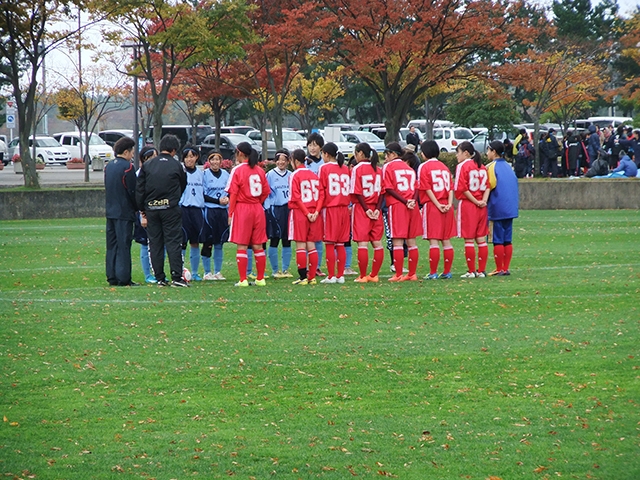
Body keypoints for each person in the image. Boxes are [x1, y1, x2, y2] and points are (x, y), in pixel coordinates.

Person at [136, 134, 188, 287]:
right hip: (170, 209)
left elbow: (140, 189)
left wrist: (142, 208)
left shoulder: (148, 165)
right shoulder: (176, 165)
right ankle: (176, 277)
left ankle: (159, 277)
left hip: (152, 209)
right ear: (174, 150)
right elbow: (183, 184)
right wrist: (173, 199)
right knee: (173, 242)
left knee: (155, 243)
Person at [225, 142, 270, 287]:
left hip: (243, 209)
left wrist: (230, 213)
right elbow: (265, 192)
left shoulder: (237, 170)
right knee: (258, 245)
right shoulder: (260, 170)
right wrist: (257, 202)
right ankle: (260, 278)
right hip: (258, 208)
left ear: (239, 153)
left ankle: (243, 279)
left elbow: (233, 194)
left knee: (242, 245)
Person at [382, 141, 421, 281]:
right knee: (411, 241)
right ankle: (412, 273)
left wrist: (405, 201)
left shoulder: (388, 167)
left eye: (387, 154)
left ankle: (398, 274)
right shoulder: (409, 168)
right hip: (412, 205)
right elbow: (417, 187)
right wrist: (413, 201)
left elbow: (388, 188)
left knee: (397, 241)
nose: (386, 158)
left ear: (393, 154)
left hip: (398, 205)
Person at [417, 140, 455, 280]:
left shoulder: (423, 167)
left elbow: (426, 188)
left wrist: (438, 205)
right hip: (447, 204)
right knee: (446, 240)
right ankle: (447, 271)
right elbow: (450, 187)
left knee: (433, 240)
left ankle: (433, 272)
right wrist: (449, 203)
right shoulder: (444, 167)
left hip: (433, 206)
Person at [104, 136, 138, 286]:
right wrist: (137, 207)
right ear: (126, 152)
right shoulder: (128, 167)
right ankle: (124, 277)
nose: (132, 155)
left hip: (110, 211)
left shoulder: (109, 166)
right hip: (124, 212)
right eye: (132, 152)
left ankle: (112, 275)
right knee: (124, 245)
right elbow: (132, 190)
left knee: (112, 245)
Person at [349, 142, 385, 283]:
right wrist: (377, 209)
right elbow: (383, 192)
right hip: (376, 209)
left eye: (356, 153)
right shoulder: (378, 169)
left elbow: (357, 192)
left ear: (361, 153)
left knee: (362, 244)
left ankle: (363, 276)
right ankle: (374, 275)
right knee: (377, 243)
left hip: (362, 209)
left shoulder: (357, 169)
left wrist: (367, 210)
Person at [454, 141, 490, 278]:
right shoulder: (481, 166)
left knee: (468, 239)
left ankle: (471, 271)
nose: (457, 155)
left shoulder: (463, 166)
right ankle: (481, 270)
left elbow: (461, 188)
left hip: (469, 205)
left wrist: (475, 201)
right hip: (482, 206)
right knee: (481, 239)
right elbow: (487, 186)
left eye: (458, 152)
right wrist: (483, 201)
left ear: (466, 153)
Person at [288, 148, 324, 285]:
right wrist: (315, 212)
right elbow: (321, 195)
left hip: (300, 213)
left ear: (295, 161)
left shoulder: (294, 175)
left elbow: (296, 197)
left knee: (300, 245)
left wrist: (307, 213)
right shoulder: (314, 175)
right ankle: (312, 277)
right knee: (312, 245)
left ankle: (303, 277)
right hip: (315, 213)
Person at [317, 142, 351, 284]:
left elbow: (321, 191)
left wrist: (317, 209)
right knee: (341, 243)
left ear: (326, 153)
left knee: (330, 243)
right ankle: (340, 275)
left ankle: (331, 276)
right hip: (344, 208)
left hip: (330, 209)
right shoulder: (344, 168)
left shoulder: (323, 168)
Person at [485, 141, 518, 276]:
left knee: (497, 239)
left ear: (493, 152)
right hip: (510, 208)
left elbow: (490, 184)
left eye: (488, 150)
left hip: (497, 207)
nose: (487, 153)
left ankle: (499, 268)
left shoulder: (491, 167)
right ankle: (506, 267)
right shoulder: (509, 166)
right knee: (507, 239)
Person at [265, 150, 293, 278]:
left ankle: (286, 270)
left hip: (288, 209)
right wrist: (268, 208)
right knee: (274, 239)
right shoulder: (270, 175)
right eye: (279, 160)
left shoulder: (291, 175)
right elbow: (266, 193)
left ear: (288, 161)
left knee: (287, 239)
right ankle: (275, 270)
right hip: (275, 209)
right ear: (275, 161)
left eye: (284, 160)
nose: (281, 162)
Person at [201, 152, 229, 280]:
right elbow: (203, 194)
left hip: (222, 211)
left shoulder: (226, 175)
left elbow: (231, 190)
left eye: (218, 159)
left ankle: (218, 271)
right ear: (209, 161)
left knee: (220, 242)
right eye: (213, 160)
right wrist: (217, 201)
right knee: (208, 241)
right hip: (210, 210)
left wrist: (227, 199)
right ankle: (207, 272)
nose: (215, 162)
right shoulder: (204, 175)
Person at [179, 145, 205, 281]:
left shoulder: (201, 174)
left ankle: (194, 272)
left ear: (196, 157)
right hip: (183, 210)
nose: (190, 159)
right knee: (182, 241)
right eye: (187, 156)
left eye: (192, 156)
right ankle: (181, 271)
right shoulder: (180, 172)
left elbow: (204, 193)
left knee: (195, 242)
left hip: (197, 211)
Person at [134, 145, 158, 283]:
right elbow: (139, 197)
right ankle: (148, 275)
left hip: (157, 213)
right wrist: (143, 216)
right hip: (145, 213)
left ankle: (157, 271)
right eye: (150, 157)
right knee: (145, 244)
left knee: (158, 244)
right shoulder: (139, 174)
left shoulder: (158, 173)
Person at [305, 132, 326, 277]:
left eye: (315, 145)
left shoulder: (324, 163)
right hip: (307, 204)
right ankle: (307, 266)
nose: (312, 148)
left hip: (321, 203)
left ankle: (317, 266)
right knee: (307, 237)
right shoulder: (304, 163)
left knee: (319, 236)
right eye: (310, 145)